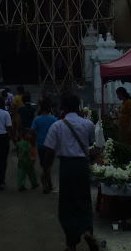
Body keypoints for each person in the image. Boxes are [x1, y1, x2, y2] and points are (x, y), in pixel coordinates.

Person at [44, 95, 98, 251]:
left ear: (63, 109)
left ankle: (71, 243)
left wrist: (46, 169)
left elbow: (49, 150)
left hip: (66, 166)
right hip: (82, 165)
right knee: (84, 200)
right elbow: (91, 145)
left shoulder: (57, 125)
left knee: (67, 204)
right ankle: (87, 230)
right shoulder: (88, 124)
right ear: (79, 108)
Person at [31, 98, 57, 193]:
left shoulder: (37, 119)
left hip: (40, 143)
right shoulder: (53, 119)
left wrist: (38, 134)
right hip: (51, 144)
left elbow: (33, 130)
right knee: (49, 164)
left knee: (43, 164)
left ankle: (47, 184)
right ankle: (47, 185)